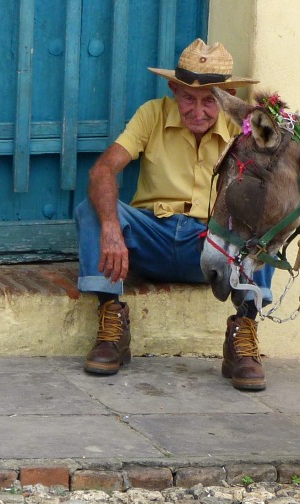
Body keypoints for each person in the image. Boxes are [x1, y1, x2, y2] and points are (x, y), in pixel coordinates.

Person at [75, 39, 272, 391]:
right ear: (173, 90)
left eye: (209, 100)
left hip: (210, 247)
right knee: (93, 207)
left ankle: (244, 329)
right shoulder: (152, 114)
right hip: (151, 238)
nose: (198, 111)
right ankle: (111, 322)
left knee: (271, 219)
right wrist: (111, 228)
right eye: (188, 99)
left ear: (228, 97)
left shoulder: (241, 130)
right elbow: (103, 170)